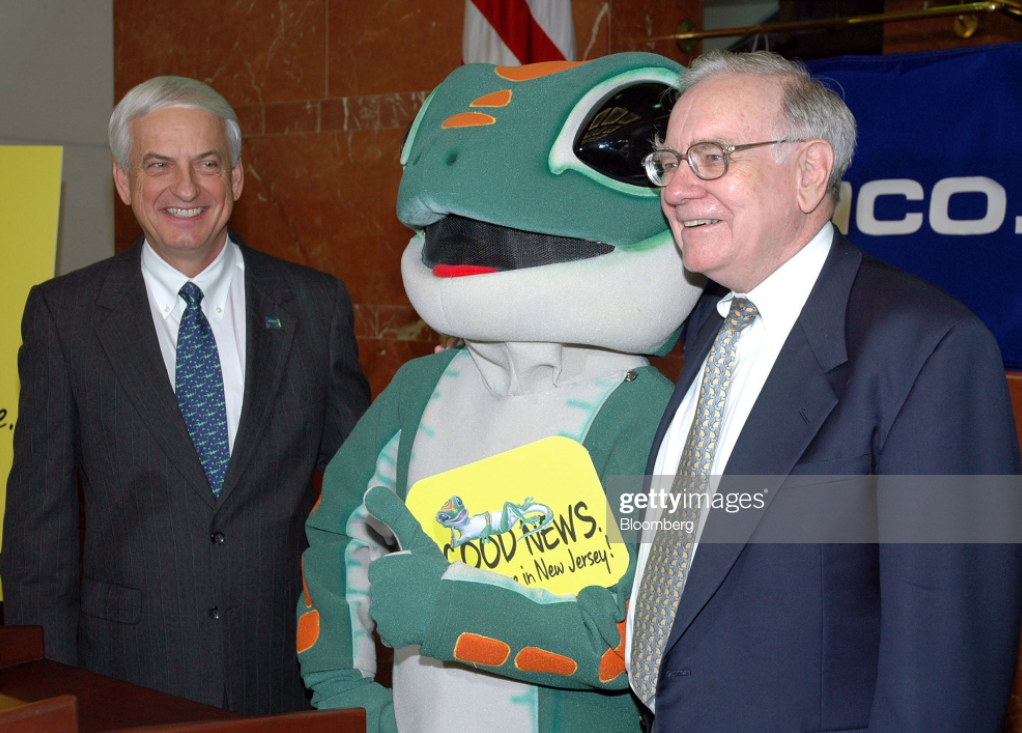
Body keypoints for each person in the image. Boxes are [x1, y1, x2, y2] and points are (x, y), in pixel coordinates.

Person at [625, 51, 1022, 732]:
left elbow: (947, 663)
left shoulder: (929, 349)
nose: (678, 189)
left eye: (712, 158)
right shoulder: (711, 323)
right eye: (670, 162)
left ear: (810, 172)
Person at [1, 76, 371, 715]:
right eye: (158, 166)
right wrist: (54, 696)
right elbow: (39, 535)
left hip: (284, 674)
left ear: (237, 178)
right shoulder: (66, 317)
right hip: (124, 679)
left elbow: (361, 492)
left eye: (207, 164)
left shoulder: (315, 307)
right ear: (124, 182)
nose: (186, 188)